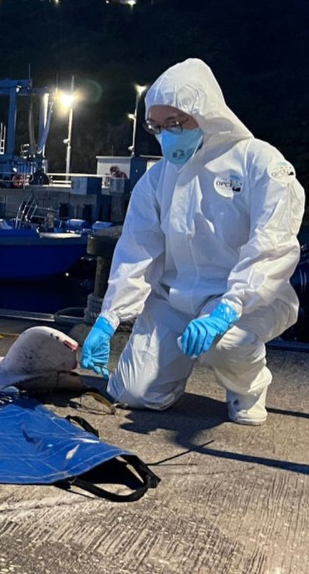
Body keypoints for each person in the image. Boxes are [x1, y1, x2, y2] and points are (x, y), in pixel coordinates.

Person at [81, 58, 304, 426]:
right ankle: (171, 370)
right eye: (157, 126)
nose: (166, 135)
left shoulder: (258, 162)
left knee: (226, 342)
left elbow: (273, 243)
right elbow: (138, 251)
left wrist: (228, 309)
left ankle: (249, 386)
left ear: (204, 112)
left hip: (245, 300)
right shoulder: (157, 180)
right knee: (133, 393)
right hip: (175, 299)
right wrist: (109, 317)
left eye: (175, 123)